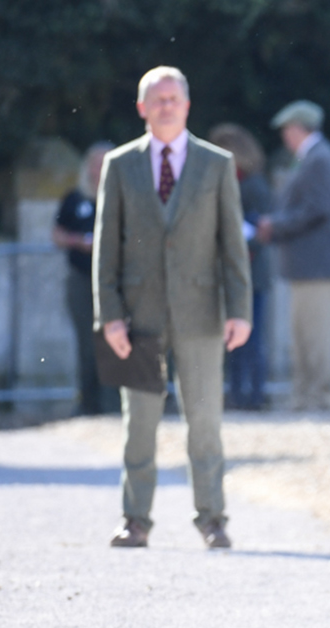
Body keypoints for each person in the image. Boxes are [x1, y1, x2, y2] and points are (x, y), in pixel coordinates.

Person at [93, 66, 253, 549]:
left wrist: (240, 309)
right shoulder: (120, 165)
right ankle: (135, 519)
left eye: (173, 98)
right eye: (156, 99)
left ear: (187, 105)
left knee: (204, 419)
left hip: (202, 313)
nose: (166, 105)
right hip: (138, 318)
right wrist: (109, 315)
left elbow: (232, 244)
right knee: (138, 422)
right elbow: (106, 247)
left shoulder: (216, 163)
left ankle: (212, 518)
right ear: (141, 108)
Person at [257, 100, 330, 411]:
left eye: (287, 129)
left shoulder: (319, 159)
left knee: (315, 337)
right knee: (303, 336)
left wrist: (276, 224)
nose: (285, 135)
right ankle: (305, 395)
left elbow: (317, 209)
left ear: (299, 128)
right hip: (307, 263)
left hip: (317, 263)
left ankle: (319, 396)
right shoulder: (312, 157)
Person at [207, 123, 273, 411]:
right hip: (230, 271)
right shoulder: (228, 181)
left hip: (252, 271)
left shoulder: (253, 184)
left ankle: (254, 395)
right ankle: (236, 393)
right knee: (231, 338)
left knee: (252, 336)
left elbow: (263, 229)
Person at [53, 141, 118, 416]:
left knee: (112, 341)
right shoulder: (74, 198)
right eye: (95, 163)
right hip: (81, 279)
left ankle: (111, 405)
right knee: (86, 344)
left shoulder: (121, 196)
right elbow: (57, 234)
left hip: (114, 281)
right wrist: (79, 242)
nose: (99, 169)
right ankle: (87, 404)